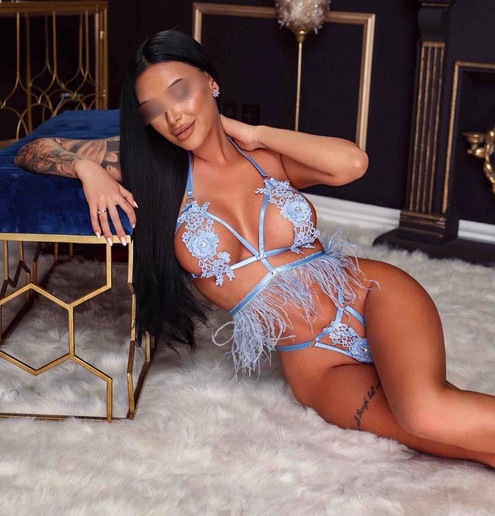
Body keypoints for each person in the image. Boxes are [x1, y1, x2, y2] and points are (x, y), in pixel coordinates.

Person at [15, 29, 495, 468]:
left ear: (210, 83)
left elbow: (352, 163)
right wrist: (88, 170)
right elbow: (33, 149)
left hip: (368, 294)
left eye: (180, 91)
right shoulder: (149, 172)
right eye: (153, 108)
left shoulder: (265, 156)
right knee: (442, 435)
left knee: (426, 411)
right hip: (315, 363)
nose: (174, 116)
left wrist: (256, 133)